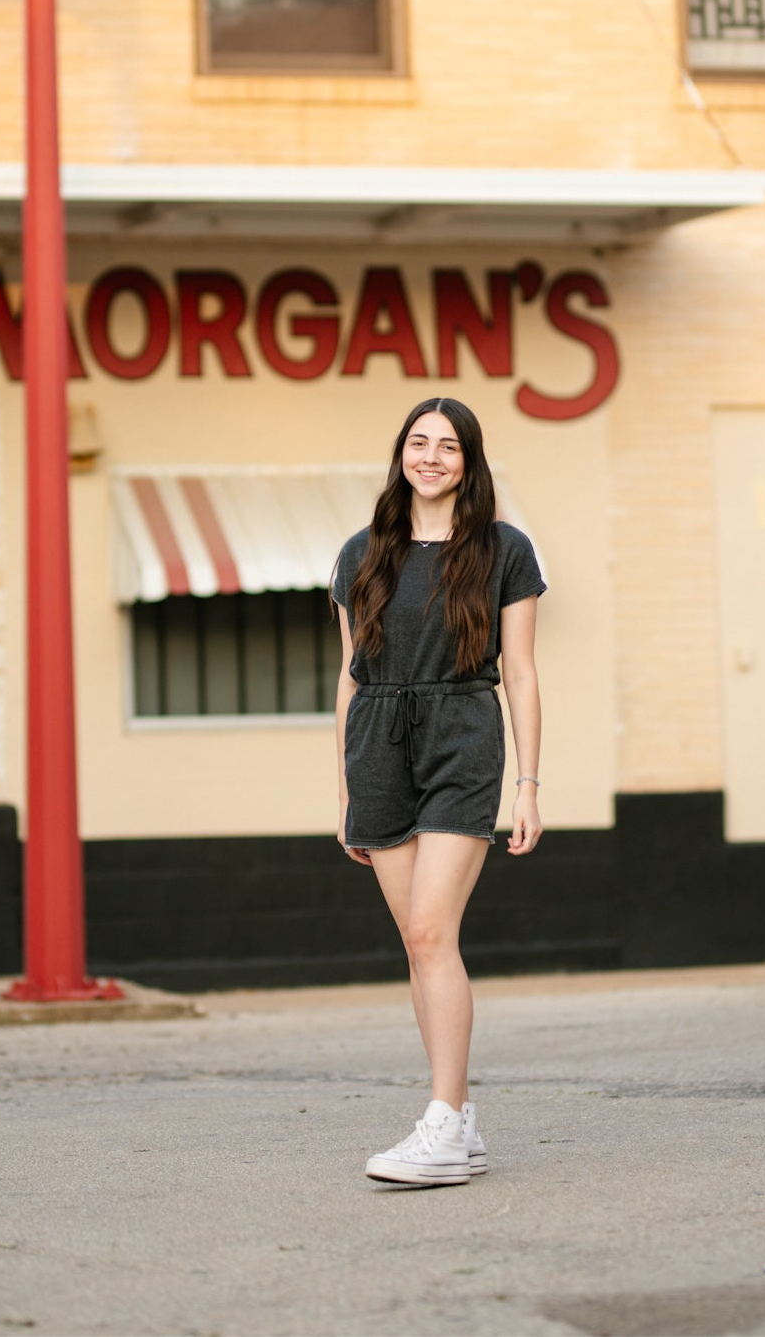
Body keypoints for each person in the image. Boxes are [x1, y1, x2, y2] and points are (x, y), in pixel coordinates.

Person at [331, 396, 545, 1187]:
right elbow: (350, 680)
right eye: (418, 443)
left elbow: (520, 673)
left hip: (462, 734)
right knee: (421, 947)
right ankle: (457, 1118)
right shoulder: (361, 553)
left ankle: (444, 1121)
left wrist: (526, 785)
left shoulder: (503, 551)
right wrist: (348, 790)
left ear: (468, 462)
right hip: (379, 747)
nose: (430, 456)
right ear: (401, 456)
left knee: (430, 931)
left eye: (447, 446)